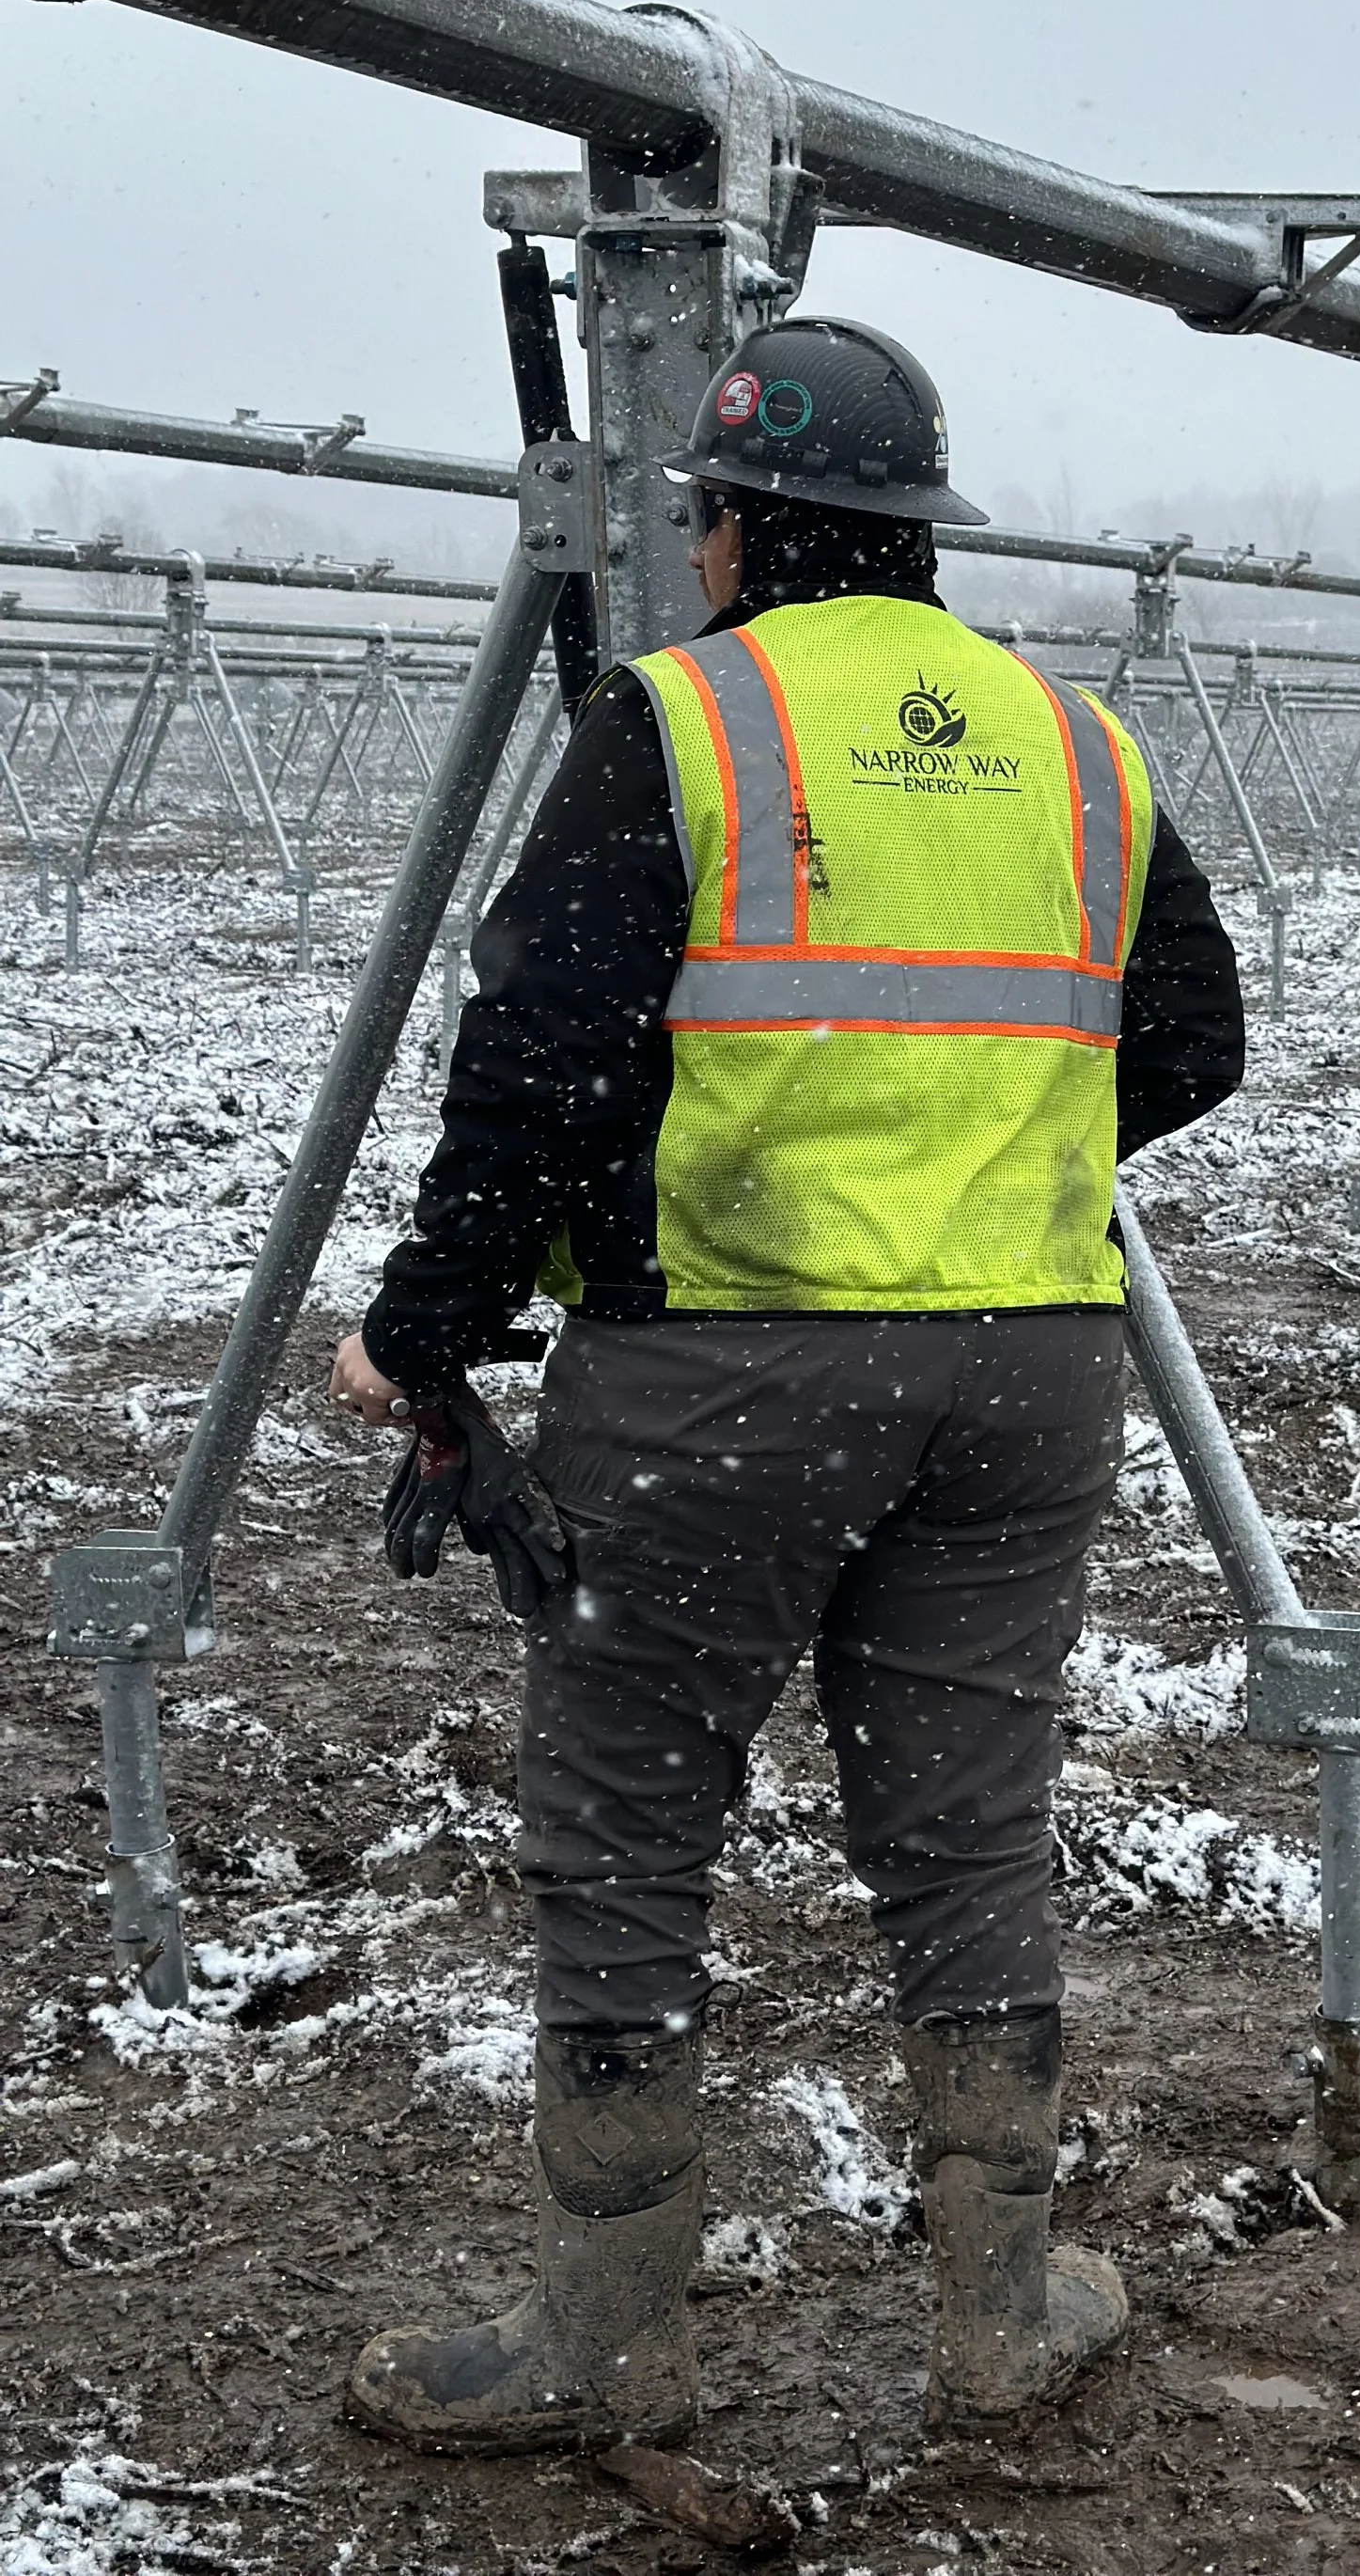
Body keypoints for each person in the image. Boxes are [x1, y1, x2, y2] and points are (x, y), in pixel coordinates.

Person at [325, 319, 1245, 2453]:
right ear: (920, 537)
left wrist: (434, 1320)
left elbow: (540, 1063)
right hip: (1024, 1370)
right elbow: (1191, 1039)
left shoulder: (684, 720)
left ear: (725, 528)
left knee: (630, 1817)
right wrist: (984, 1165)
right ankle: (997, 2317)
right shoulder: (1072, 747)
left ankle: (600, 2341)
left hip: (727, 1368)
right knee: (964, 1828)